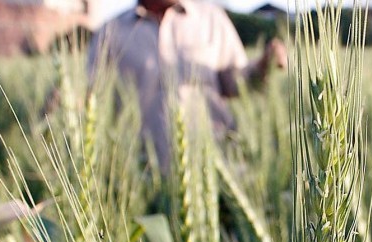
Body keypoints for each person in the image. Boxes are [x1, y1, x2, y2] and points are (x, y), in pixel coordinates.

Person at [87, 0, 287, 174]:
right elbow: (92, 95)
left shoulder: (212, 19)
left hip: (219, 166)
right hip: (144, 174)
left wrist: (263, 66)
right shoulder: (111, 31)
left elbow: (237, 83)